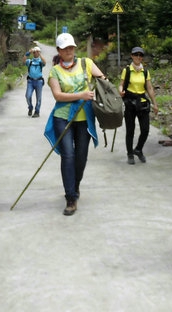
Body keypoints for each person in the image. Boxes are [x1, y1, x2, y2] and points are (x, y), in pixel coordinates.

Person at [44, 32, 105, 216]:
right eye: (65, 48)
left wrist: (109, 90)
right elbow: (58, 96)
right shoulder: (55, 71)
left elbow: (103, 80)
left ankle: (75, 186)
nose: (69, 51)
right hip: (62, 117)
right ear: (59, 51)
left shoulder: (86, 63)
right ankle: (70, 197)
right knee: (68, 156)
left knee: (81, 157)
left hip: (84, 118)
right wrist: (81, 95)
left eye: (71, 47)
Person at [119, 46, 158, 164]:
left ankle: (138, 149)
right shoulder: (127, 70)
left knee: (145, 129)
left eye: (140, 55)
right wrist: (120, 91)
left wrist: (155, 104)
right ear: (131, 56)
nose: (138, 57)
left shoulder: (145, 71)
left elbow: (149, 88)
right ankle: (130, 154)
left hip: (141, 102)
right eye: (136, 55)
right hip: (129, 101)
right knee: (130, 130)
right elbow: (121, 84)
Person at [24, 46, 46, 117]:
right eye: (34, 52)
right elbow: (24, 60)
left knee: (38, 98)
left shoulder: (40, 62)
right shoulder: (30, 61)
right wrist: (28, 53)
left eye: (36, 52)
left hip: (39, 81)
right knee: (28, 96)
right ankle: (30, 107)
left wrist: (40, 54)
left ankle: (37, 111)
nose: (35, 53)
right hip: (30, 81)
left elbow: (45, 62)